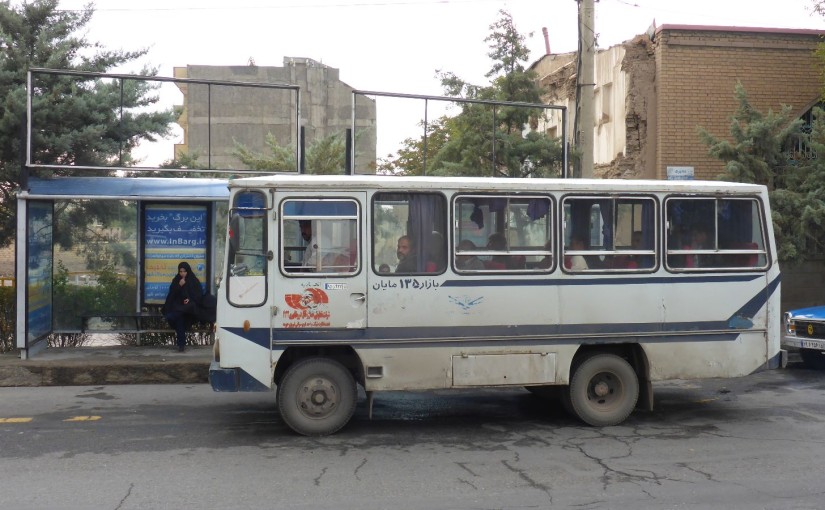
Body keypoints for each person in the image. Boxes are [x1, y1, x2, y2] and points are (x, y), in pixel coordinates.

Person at [162, 261, 204, 352]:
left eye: (184, 271)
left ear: (188, 271)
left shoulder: (193, 280)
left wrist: (190, 299)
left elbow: (199, 295)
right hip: (179, 308)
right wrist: (179, 285)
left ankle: (170, 316)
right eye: (180, 271)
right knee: (179, 320)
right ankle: (181, 346)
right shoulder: (176, 280)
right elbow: (172, 295)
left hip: (190, 310)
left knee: (184, 310)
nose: (182, 273)